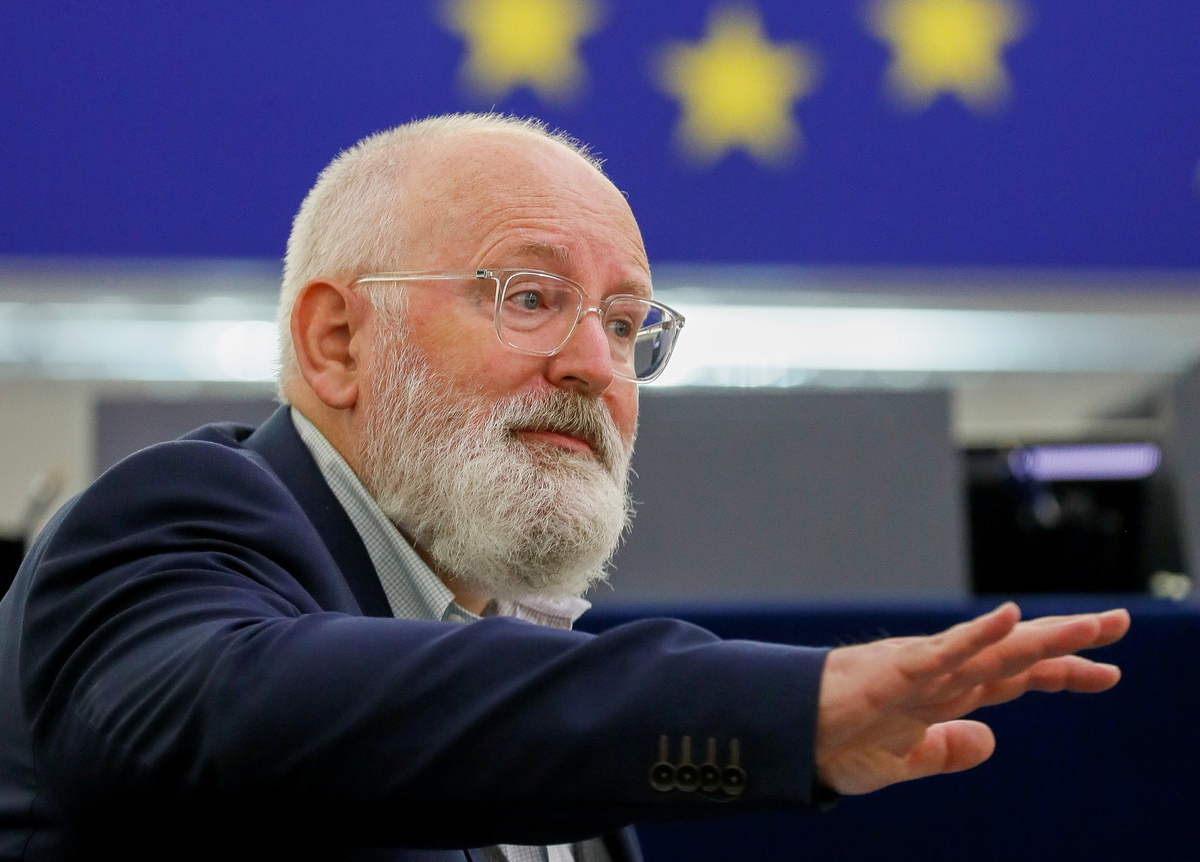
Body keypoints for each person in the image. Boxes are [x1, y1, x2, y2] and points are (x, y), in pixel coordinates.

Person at [0, 113, 1129, 862]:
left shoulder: (531, 668)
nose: (597, 365)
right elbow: (271, 714)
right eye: (530, 298)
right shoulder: (173, 528)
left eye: (627, 324)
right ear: (338, 340)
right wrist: (787, 708)